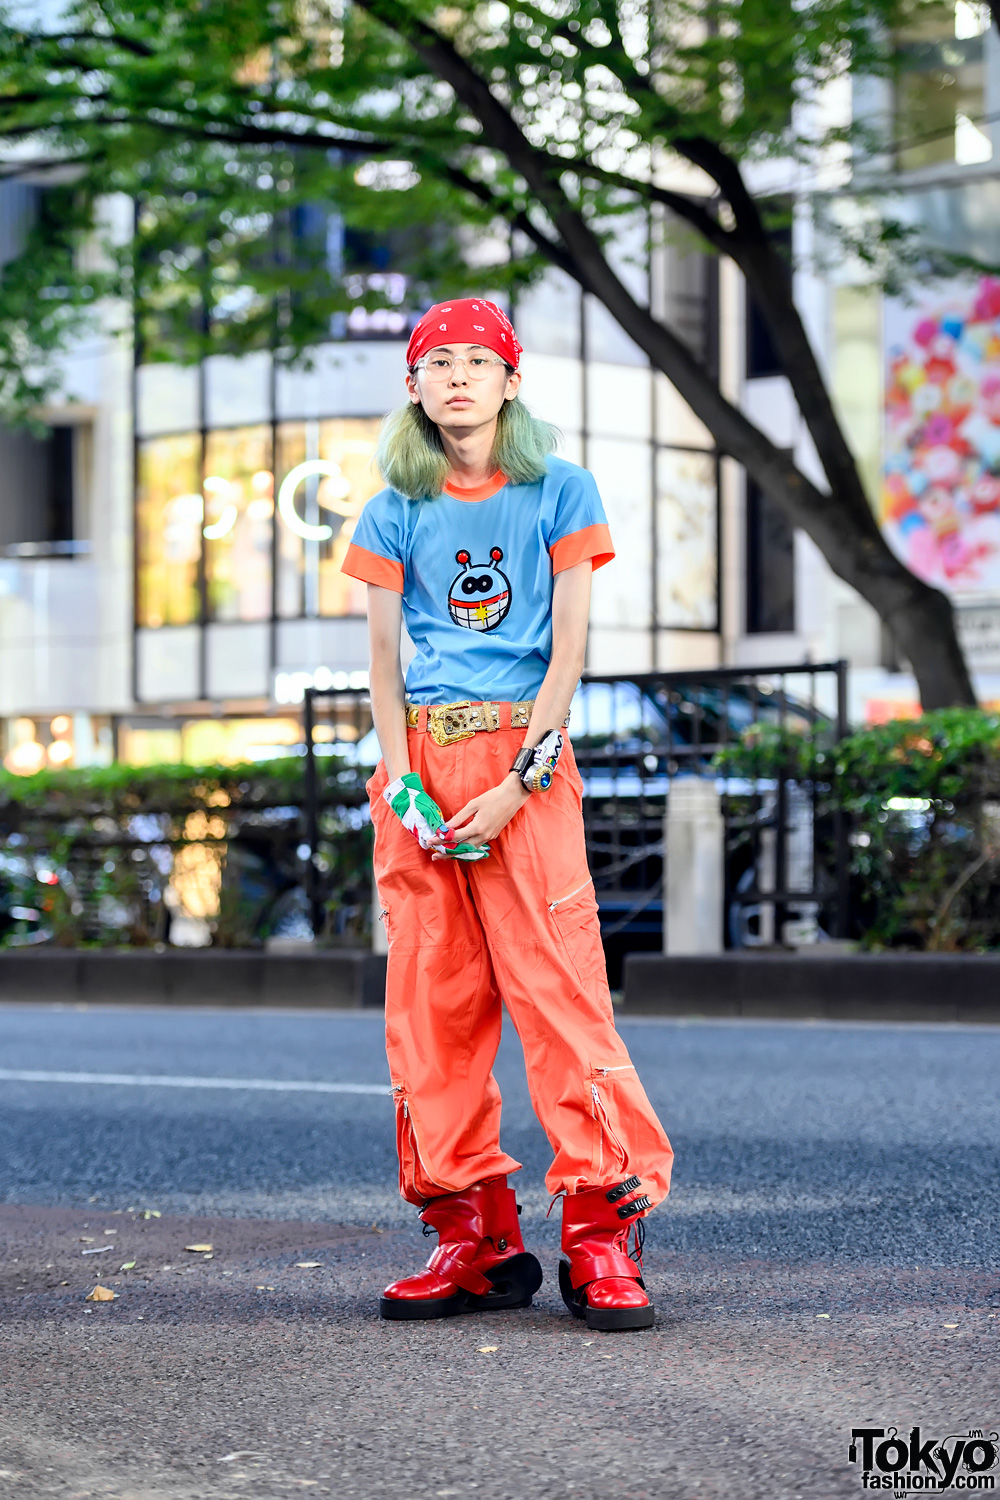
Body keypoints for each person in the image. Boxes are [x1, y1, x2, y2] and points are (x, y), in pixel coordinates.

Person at [339, 297, 673, 1332]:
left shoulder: (559, 491)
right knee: (429, 1013)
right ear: (412, 386)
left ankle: (598, 1231)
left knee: (558, 994)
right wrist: (400, 783)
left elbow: (567, 651)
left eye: (477, 362)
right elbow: (383, 663)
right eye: (436, 363)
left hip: (522, 759)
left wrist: (520, 778)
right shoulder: (394, 502)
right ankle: (470, 1233)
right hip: (421, 766)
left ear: (510, 380)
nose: (456, 378)